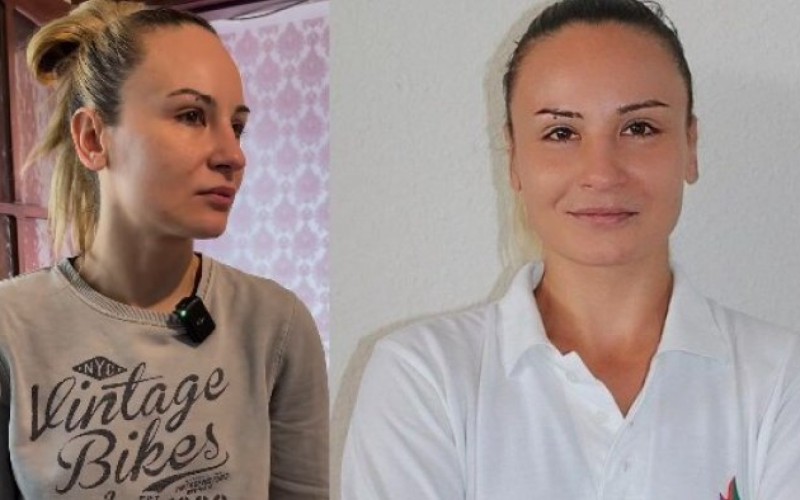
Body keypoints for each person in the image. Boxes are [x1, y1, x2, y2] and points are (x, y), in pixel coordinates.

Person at [341, 0, 800, 498]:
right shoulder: (423, 377)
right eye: (561, 133)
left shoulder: (781, 378)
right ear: (514, 159)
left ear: (691, 146)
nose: (601, 173)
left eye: (639, 128)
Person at [0, 1, 328, 498]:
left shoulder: (275, 326)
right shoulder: (11, 328)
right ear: (93, 138)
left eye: (237, 126)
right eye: (191, 115)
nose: (233, 155)